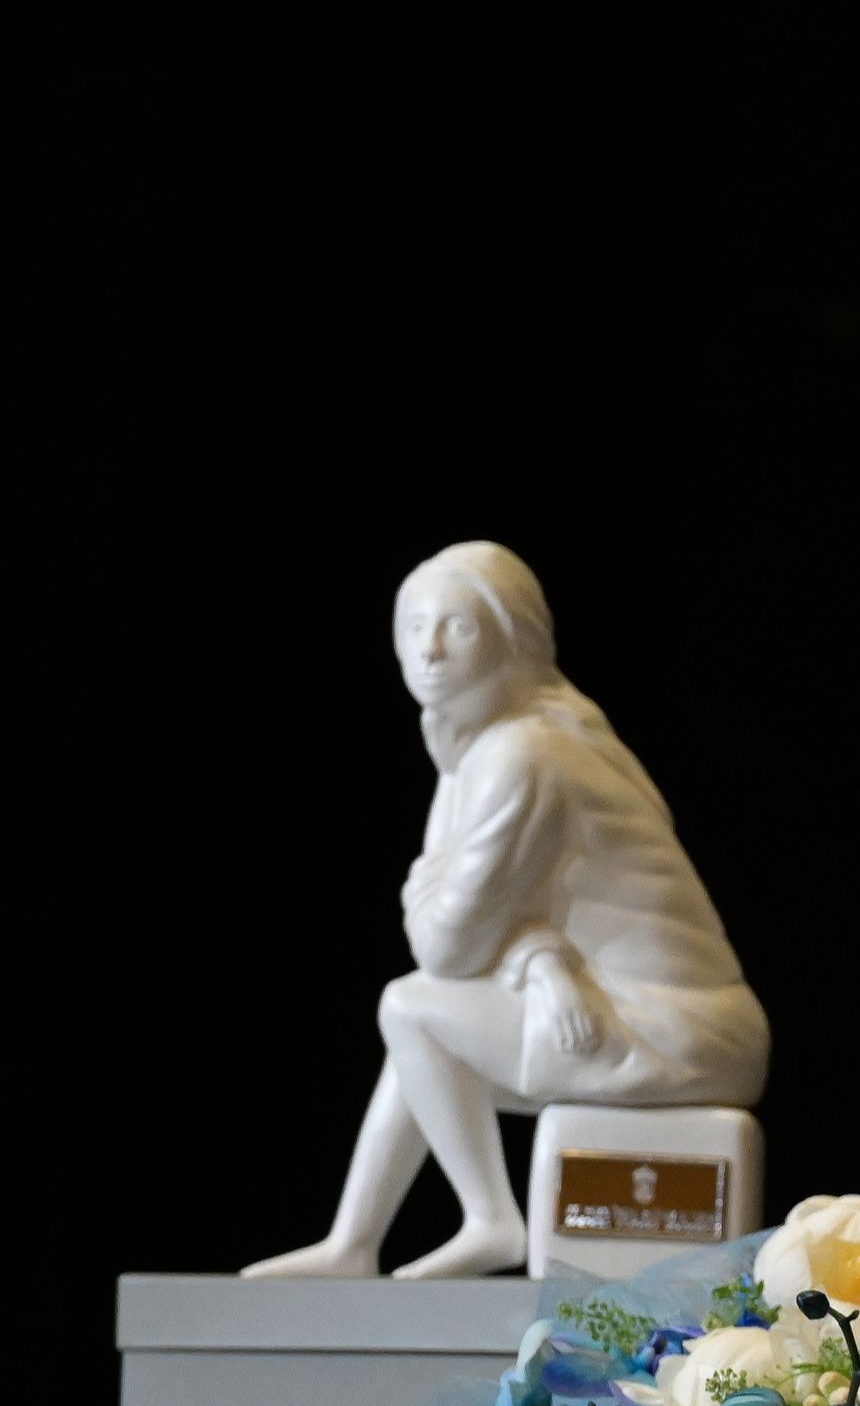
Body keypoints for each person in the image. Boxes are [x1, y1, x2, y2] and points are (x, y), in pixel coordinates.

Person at [249, 542, 769, 1280]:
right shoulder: (507, 742)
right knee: (428, 1024)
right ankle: (355, 1242)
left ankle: (490, 1219)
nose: (428, 649)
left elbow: (447, 947)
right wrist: (542, 957)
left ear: (513, 636)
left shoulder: (523, 754)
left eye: (457, 626)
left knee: (411, 1006)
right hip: (648, 1007)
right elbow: (536, 919)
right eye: (413, 626)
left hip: (680, 1026)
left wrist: (427, 886)